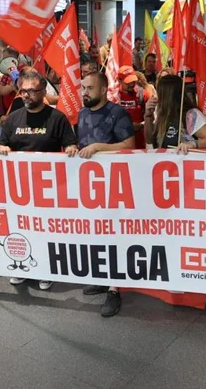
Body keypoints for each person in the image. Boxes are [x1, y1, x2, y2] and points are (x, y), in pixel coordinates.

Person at [0, 68, 78, 290]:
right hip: (19, 188)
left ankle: (44, 269)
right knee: (20, 228)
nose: (26, 95)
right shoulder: (13, 119)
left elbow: (70, 143)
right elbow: (2, 144)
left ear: (43, 92)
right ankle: (21, 265)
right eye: (23, 91)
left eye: (32, 91)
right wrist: (3, 148)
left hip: (49, 188)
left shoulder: (57, 118)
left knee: (45, 231)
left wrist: (71, 149)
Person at [75, 72, 136, 317]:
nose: (85, 92)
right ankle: (103, 278)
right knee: (97, 236)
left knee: (114, 237)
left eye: (89, 88)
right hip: (90, 187)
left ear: (103, 90)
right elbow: (82, 145)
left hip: (114, 186)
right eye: (83, 88)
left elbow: (129, 145)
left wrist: (99, 148)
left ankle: (114, 289)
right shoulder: (82, 114)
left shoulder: (117, 113)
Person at [145, 74, 206, 151]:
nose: (157, 97)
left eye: (159, 92)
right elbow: (150, 140)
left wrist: (192, 144)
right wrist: (148, 115)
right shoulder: (162, 114)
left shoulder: (190, 115)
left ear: (166, 95)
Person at [117, 65, 150, 149]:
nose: (132, 84)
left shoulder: (143, 94)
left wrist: (141, 125)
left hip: (139, 144)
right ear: (119, 81)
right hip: (119, 143)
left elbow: (151, 117)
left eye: (133, 81)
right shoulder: (113, 96)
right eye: (128, 82)